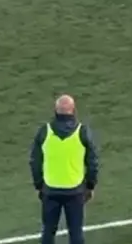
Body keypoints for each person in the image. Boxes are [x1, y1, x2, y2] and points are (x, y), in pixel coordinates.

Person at [30, 94, 99, 244]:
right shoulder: (82, 132)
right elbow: (92, 162)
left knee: (48, 231)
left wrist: (39, 185)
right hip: (75, 190)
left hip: (50, 190)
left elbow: (35, 162)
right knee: (76, 232)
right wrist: (90, 185)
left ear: (55, 110)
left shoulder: (45, 131)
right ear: (73, 110)